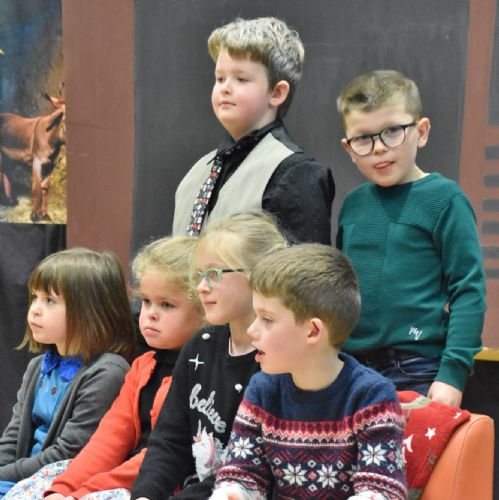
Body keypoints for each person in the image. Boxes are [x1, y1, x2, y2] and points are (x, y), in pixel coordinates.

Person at [5, 236, 205, 500]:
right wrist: (64, 490)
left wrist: (84, 491)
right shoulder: (142, 367)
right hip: (103, 478)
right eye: (145, 301)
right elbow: (107, 441)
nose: (150, 314)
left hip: (161, 485)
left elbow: (164, 455)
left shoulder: (114, 371)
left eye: (166, 305)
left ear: (204, 308)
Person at [336, 70, 487, 407]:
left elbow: (468, 290)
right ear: (348, 148)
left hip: (416, 367)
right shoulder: (352, 205)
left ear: (421, 132)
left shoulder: (445, 199)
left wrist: (451, 375)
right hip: (350, 368)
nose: (378, 148)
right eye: (363, 138)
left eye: (392, 131)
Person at [209, 244, 407, 500]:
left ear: (313, 331)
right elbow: (242, 475)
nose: (252, 330)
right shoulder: (262, 390)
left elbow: (381, 491)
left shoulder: (372, 397)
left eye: (267, 319)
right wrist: (233, 493)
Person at [131, 211, 287, 500]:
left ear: (258, 274)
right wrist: (146, 495)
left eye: (214, 274)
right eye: (198, 275)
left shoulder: (279, 360)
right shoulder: (200, 346)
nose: (202, 287)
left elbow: (252, 471)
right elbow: (169, 441)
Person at [172, 17, 334, 244]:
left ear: (277, 93)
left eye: (241, 79)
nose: (225, 88)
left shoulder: (296, 174)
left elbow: (306, 266)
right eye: (220, 78)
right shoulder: (196, 175)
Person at [0, 248, 135, 498]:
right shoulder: (38, 366)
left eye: (49, 300)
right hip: (20, 479)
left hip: (59, 484)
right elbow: (12, 438)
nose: (35, 309)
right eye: (34, 297)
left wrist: (4, 474)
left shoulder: (107, 372)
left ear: (90, 310)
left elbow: (66, 454)